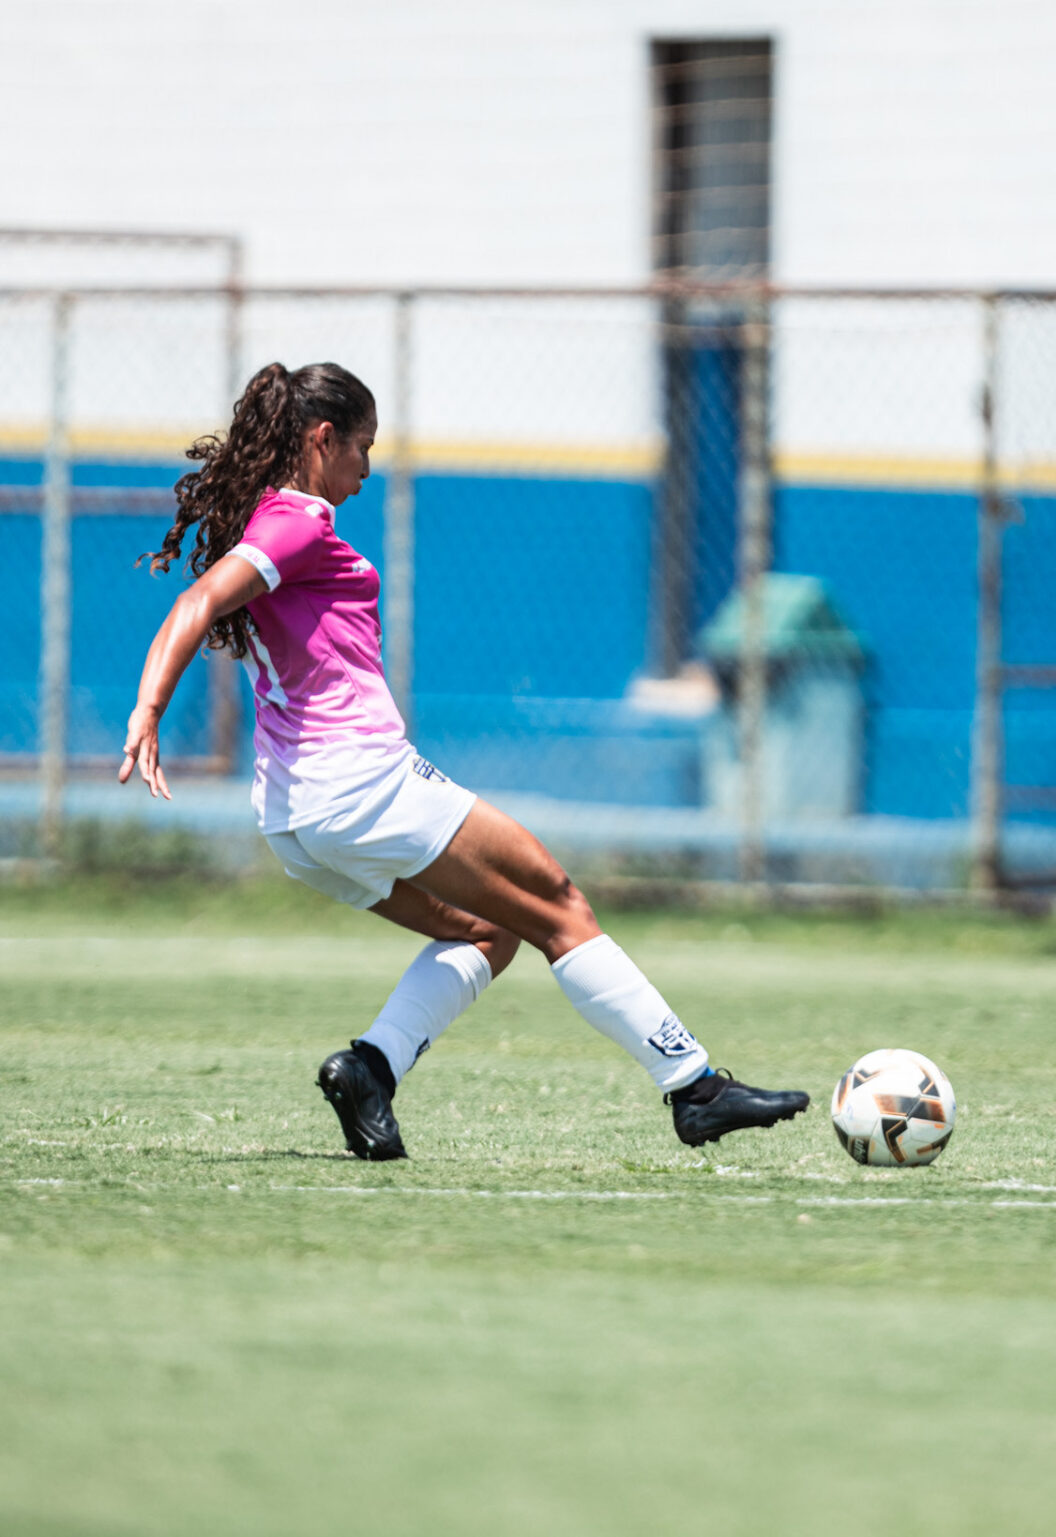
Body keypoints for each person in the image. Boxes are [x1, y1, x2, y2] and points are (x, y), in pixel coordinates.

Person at [121, 361, 809, 1161]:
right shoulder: (299, 521)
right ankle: (695, 1087)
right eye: (362, 448)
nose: (367, 471)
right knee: (557, 902)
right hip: (361, 785)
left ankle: (370, 1068)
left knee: (492, 930)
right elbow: (197, 600)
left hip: (292, 817)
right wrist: (149, 709)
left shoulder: (277, 519)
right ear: (322, 438)